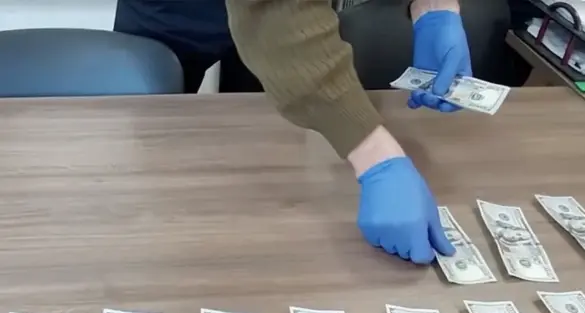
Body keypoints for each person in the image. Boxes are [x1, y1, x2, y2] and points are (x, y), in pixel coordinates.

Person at [113, 0, 494, 265]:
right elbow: (276, 13)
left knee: (266, 180)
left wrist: (435, 9)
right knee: (158, 187)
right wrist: (378, 159)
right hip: (176, 11)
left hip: (296, 13)